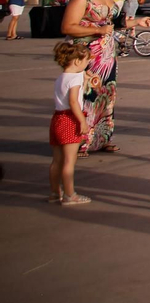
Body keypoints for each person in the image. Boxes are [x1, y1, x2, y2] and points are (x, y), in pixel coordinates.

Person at [59, 0, 120, 153]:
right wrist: (97, 30)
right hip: (88, 57)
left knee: (106, 96)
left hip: (107, 56)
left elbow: (113, 23)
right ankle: (80, 140)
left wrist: (137, 22)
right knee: (86, 96)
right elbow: (67, 26)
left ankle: (101, 138)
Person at [48, 41, 91, 204]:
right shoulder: (74, 79)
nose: (87, 65)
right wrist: (82, 121)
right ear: (77, 61)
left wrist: (85, 80)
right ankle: (69, 194)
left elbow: (76, 93)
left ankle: (54, 192)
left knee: (57, 160)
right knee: (69, 160)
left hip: (58, 118)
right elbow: (74, 101)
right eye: (86, 61)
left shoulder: (62, 77)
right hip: (70, 119)